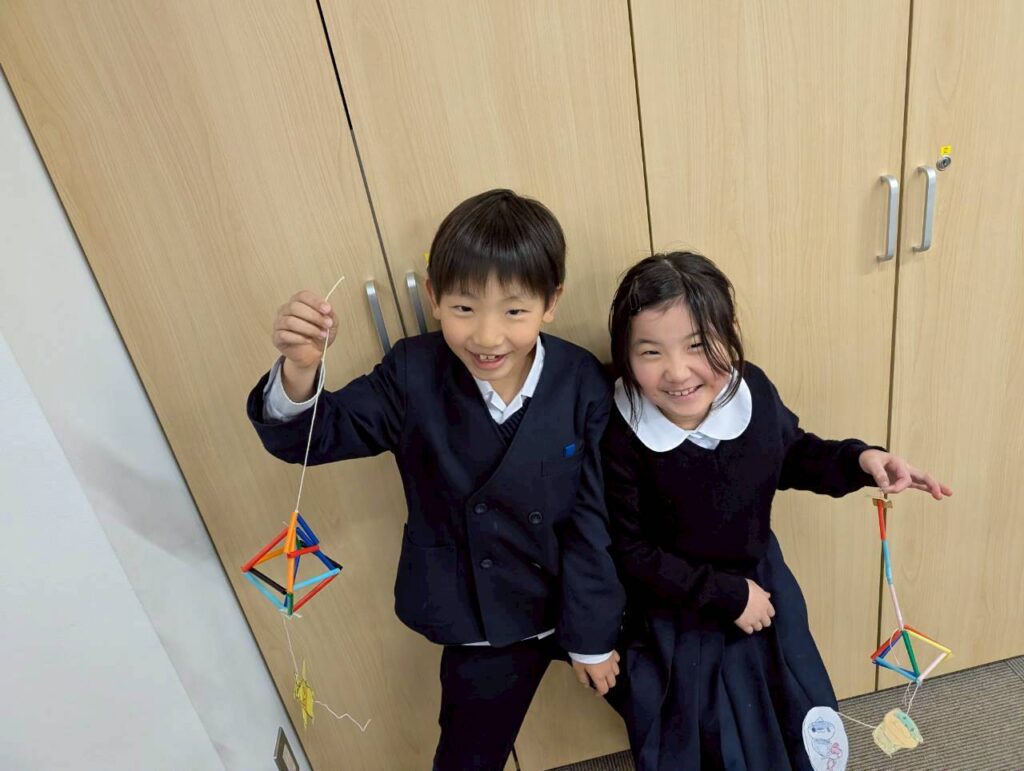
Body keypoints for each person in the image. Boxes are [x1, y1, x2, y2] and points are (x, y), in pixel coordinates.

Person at [247, 189, 625, 770]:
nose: (488, 337)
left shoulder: (581, 380)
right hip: (475, 614)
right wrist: (301, 368)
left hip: (573, 593)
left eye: (514, 312)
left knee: (670, 694)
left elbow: (594, 518)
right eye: (464, 308)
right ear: (433, 297)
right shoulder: (412, 371)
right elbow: (313, 438)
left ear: (551, 302)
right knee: (467, 756)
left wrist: (593, 637)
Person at [601, 251, 951, 770]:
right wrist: (727, 595)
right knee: (704, 738)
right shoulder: (619, 429)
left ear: (731, 334)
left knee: (796, 715)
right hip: (677, 608)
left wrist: (860, 460)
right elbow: (630, 551)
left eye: (698, 345)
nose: (677, 372)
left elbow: (790, 453)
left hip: (763, 586)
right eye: (651, 352)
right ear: (625, 355)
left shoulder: (752, 392)